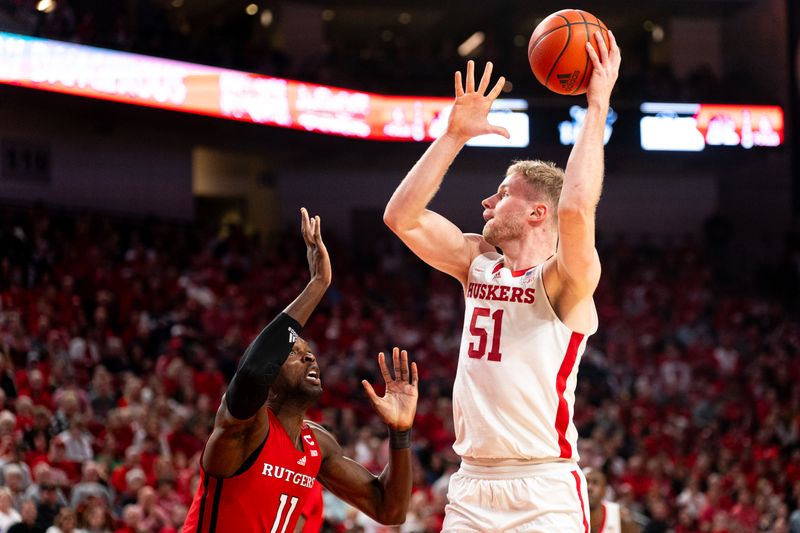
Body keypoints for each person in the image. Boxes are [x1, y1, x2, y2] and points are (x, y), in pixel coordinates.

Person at [384, 30, 621, 531]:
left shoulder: (564, 281)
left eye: (502, 193)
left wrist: (596, 104)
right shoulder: (476, 264)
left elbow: (577, 208)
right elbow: (402, 218)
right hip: (471, 484)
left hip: (544, 488)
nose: (487, 203)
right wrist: (453, 136)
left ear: (538, 212)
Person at [182, 208, 419, 532]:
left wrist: (400, 432)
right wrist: (318, 285)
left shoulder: (317, 444)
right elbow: (251, 373)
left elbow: (389, 510)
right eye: (295, 353)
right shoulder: (247, 426)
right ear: (271, 375)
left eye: (311, 354)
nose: (310, 359)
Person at [584, 468, 640, 533]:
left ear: (604, 491)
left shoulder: (620, 517)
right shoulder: (572, 513)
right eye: (586, 482)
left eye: (595, 483)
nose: (589, 488)